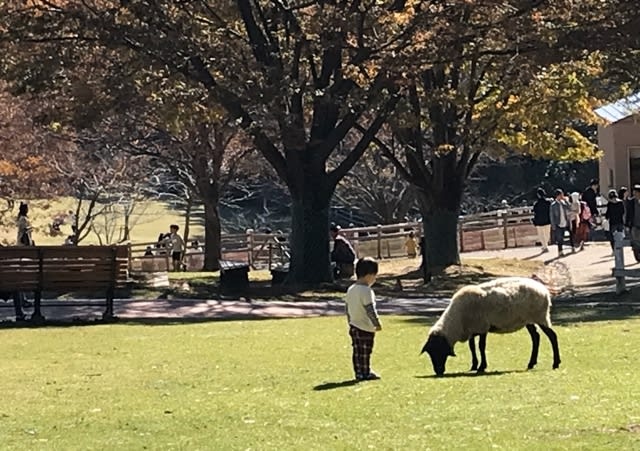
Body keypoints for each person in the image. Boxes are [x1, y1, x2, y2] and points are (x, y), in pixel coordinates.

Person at [344, 257, 382, 381]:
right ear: (369, 275)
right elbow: (370, 309)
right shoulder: (366, 291)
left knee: (357, 351)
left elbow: (347, 308)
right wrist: (376, 323)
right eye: (374, 276)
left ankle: (359, 372)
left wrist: (349, 321)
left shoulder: (351, 289)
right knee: (366, 351)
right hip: (365, 327)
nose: (375, 279)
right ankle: (366, 372)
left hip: (354, 325)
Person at [550, 189, 573, 256]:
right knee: (560, 238)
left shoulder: (563, 203)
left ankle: (572, 247)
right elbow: (552, 216)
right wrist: (553, 225)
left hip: (565, 221)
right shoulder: (553, 205)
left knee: (570, 234)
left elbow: (570, 208)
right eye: (561, 195)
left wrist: (566, 201)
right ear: (558, 195)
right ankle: (560, 251)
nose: (562, 196)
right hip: (558, 223)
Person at [532, 188, 551, 253]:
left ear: (538, 195)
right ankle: (545, 245)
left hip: (539, 221)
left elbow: (535, 213)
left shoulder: (536, 204)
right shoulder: (548, 203)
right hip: (547, 220)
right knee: (547, 234)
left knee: (541, 235)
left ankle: (545, 246)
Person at [625, 185, 640, 263]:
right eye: (634, 192)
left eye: (636, 192)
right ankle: (637, 256)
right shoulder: (631, 202)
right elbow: (628, 214)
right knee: (635, 242)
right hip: (634, 225)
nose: (635, 193)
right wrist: (627, 225)